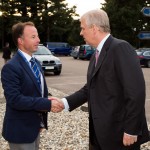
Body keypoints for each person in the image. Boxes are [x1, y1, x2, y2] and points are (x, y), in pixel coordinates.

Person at [51, 9, 150, 150]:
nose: (81, 33)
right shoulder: (95, 55)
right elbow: (89, 89)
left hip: (120, 136)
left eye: (82, 28)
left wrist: (131, 129)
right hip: (99, 134)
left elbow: (136, 91)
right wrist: (64, 103)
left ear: (94, 28)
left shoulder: (120, 48)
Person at [1, 22, 63, 150]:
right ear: (20, 41)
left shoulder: (35, 63)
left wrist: (41, 119)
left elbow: (39, 92)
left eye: (38, 36)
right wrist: (47, 104)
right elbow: (15, 100)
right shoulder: (11, 67)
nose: (38, 40)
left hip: (34, 127)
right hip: (20, 131)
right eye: (33, 37)